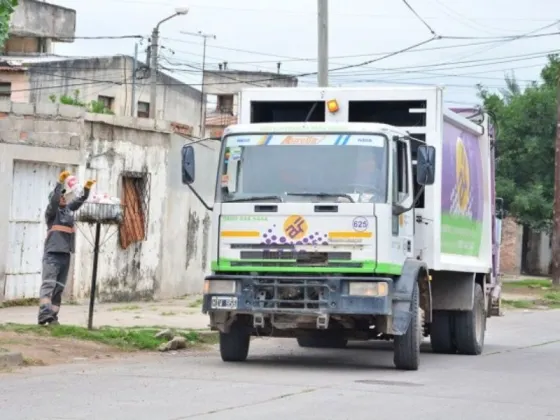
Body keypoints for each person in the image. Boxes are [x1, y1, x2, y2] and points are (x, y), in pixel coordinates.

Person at [38, 170, 96, 325]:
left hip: (65, 255)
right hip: (52, 254)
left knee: (59, 288)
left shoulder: (68, 211)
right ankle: (44, 314)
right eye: (61, 196)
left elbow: (80, 199)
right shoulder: (51, 213)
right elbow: (55, 200)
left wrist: (87, 189)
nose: (63, 197)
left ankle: (53, 317)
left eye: (64, 196)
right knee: (49, 284)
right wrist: (60, 183)